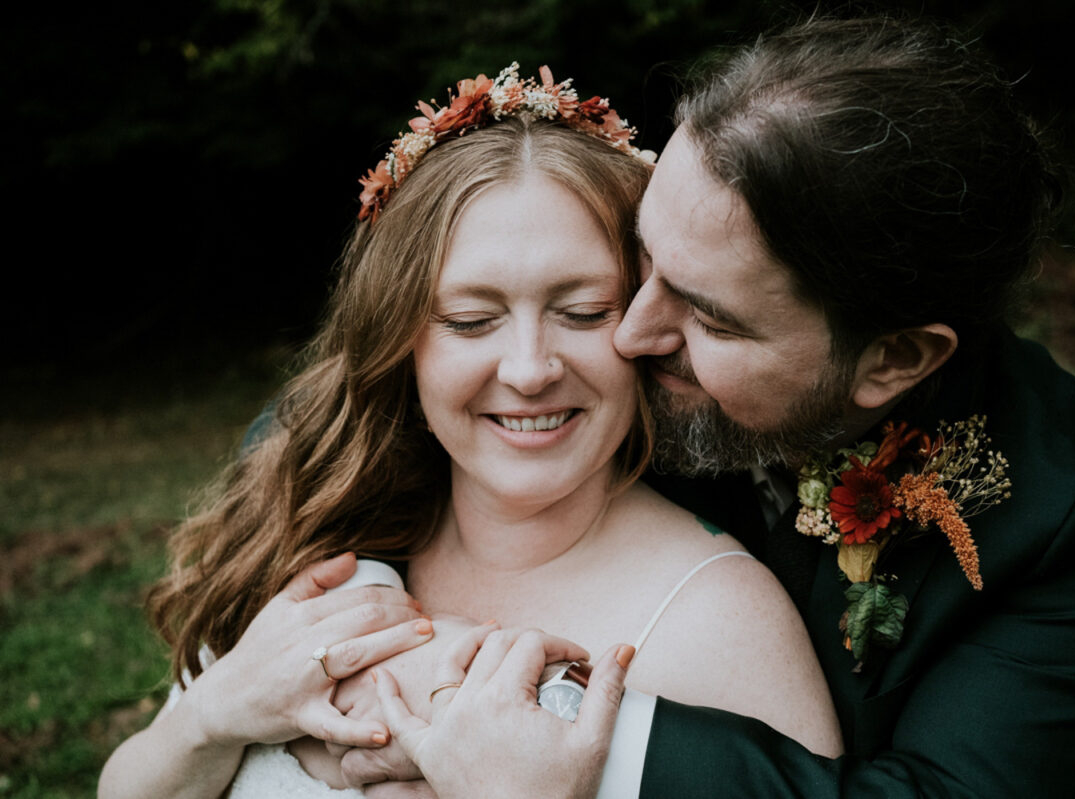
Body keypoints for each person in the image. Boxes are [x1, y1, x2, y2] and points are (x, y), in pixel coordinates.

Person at [356, 15, 1075, 799]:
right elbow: (357, 424)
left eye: (710, 317)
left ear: (894, 359)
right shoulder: (639, 321)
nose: (631, 332)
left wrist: (566, 727)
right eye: (639, 261)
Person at [97, 64, 842, 799]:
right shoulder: (320, 524)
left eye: (583, 311)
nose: (528, 369)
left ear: (647, 324)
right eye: (470, 320)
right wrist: (209, 719)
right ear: (402, 339)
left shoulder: (722, 629)